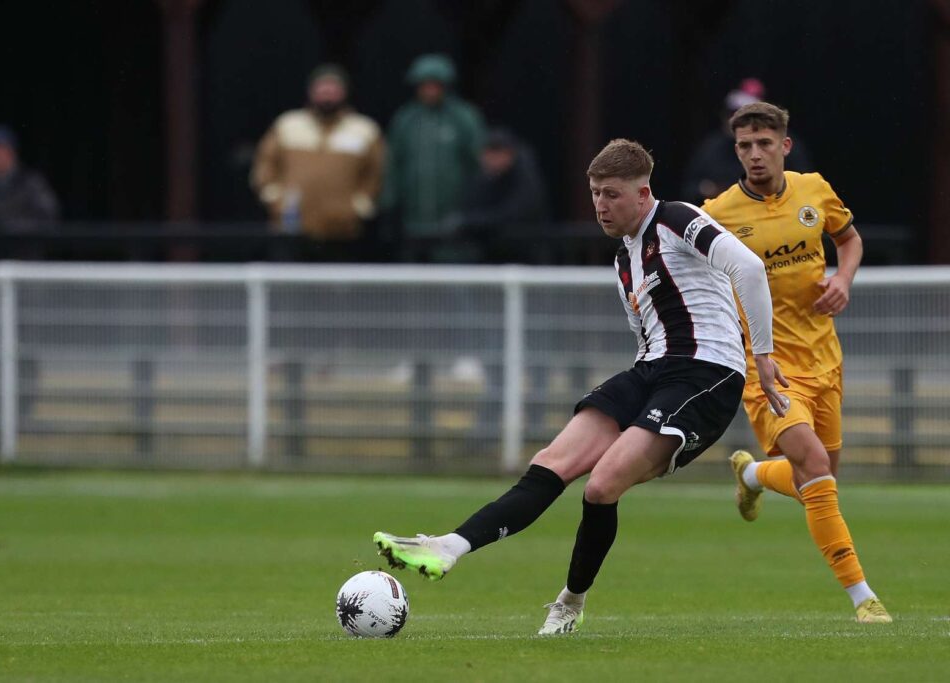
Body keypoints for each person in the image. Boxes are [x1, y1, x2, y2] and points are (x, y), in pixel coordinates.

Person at [373, 138, 788, 634]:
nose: (600, 204)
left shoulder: (676, 218)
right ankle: (449, 546)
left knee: (601, 485)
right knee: (551, 463)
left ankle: (569, 603)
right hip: (651, 370)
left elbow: (749, 267)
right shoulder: (623, 260)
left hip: (707, 373)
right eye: (594, 193)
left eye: (611, 194)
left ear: (642, 192)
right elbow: (646, 337)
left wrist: (761, 355)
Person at [702, 102, 891, 624]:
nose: (755, 154)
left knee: (822, 476)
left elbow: (848, 239)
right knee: (814, 468)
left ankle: (756, 475)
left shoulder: (813, 189)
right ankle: (863, 597)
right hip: (767, 367)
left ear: (785, 145)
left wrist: (843, 280)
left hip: (825, 357)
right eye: (745, 146)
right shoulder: (716, 214)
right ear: (735, 151)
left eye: (765, 143)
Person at [249, 64, 385, 252]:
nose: (327, 94)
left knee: (338, 280)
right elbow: (264, 166)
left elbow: (377, 173)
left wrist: (360, 207)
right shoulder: (287, 125)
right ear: (311, 92)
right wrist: (275, 199)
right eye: (322, 89)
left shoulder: (364, 129)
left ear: (344, 92)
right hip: (292, 227)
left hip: (343, 230)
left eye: (333, 89)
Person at [382, 53, 486, 261]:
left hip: (453, 220)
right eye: (424, 85)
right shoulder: (405, 119)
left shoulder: (464, 117)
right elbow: (393, 164)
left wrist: (475, 210)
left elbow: (478, 163)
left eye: (435, 85)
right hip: (413, 220)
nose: (430, 91)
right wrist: (389, 204)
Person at [681, 79, 812, 203]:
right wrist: (706, 189)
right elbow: (690, 188)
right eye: (732, 113)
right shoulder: (711, 147)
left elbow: (803, 185)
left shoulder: (783, 144)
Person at [449, 126, 548, 262]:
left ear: (510, 154)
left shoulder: (526, 176)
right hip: (491, 256)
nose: (492, 160)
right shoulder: (481, 177)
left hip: (526, 256)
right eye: (488, 153)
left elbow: (516, 213)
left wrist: (475, 222)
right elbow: (471, 207)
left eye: (497, 153)